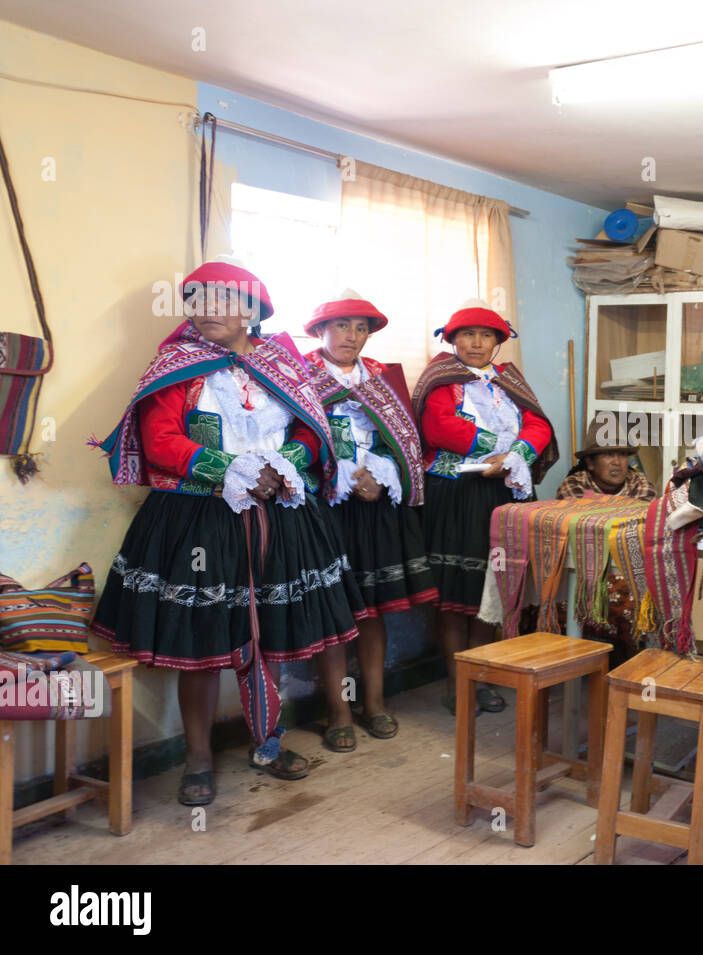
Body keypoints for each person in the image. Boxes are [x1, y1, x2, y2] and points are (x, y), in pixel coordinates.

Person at [90, 259, 363, 806]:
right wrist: (228, 470)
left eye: (225, 301)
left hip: (279, 517)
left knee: (268, 636)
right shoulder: (177, 366)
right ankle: (198, 757)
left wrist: (281, 463)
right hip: (196, 521)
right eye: (199, 301)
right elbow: (160, 437)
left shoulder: (283, 365)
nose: (209, 311)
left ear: (254, 312)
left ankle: (267, 739)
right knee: (203, 640)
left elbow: (314, 432)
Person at [302, 291, 437, 752]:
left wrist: (380, 474)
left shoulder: (381, 380)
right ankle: (339, 711)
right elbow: (287, 436)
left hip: (376, 505)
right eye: (342, 326)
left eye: (361, 328)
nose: (352, 337)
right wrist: (335, 475)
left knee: (374, 613)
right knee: (334, 615)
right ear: (320, 331)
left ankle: (375, 704)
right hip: (324, 509)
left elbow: (403, 440)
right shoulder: (298, 376)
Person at [412, 305, 557, 713]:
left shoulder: (508, 379)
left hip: (504, 493)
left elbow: (539, 423)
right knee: (455, 589)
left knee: (491, 589)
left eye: (486, 335)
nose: (476, 343)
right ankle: (458, 680)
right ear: (452, 340)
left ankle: (482, 674)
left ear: (498, 341)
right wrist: (499, 450)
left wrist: (515, 455)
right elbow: (439, 426)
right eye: (467, 335)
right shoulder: (440, 378)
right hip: (457, 495)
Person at [555, 417, 659, 659]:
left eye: (623, 455)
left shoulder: (640, 484)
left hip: (628, 569)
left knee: (646, 599)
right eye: (608, 455)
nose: (618, 462)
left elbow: (643, 529)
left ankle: (634, 666)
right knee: (565, 600)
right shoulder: (574, 486)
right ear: (590, 463)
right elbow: (583, 532)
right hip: (581, 570)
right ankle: (575, 662)